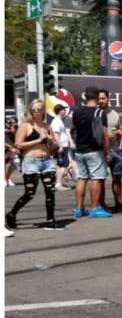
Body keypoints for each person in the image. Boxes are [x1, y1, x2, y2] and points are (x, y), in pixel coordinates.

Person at [5, 99, 63, 230]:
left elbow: (53, 147)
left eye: (39, 109)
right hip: (31, 162)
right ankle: (11, 215)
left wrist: (52, 141)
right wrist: (39, 139)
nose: (37, 112)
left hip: (47, 162)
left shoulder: (47, 126)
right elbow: (18, 144)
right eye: (34, 109)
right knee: (29, 194)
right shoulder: (26, 125)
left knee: (50, 192)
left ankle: (50, 220)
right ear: (30, 111)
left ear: (43, 111)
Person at [71, 87, 112, 219]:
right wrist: (107, 152)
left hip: (80, 150)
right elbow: (105, 135)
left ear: (85, 97)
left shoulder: (76, 112)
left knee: (82, 178)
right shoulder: (100, 113)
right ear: (96, 97)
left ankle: (79, 208)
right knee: (96, 179)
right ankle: (94, 208)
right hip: (94, 150)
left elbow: (75, 130)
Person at [98, 89, 122, 213]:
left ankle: (119, 203)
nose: (101, 100)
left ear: (108, 99)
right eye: (99, 98)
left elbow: (119, 129)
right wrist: (106, 135)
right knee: (100, 179)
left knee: (117, 178)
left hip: (116, 149)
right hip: (100, 151)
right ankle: (101, 205)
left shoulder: (114, 114)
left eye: (103, 98)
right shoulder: (95, 114)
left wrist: (119, 133)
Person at [50, 105, 73, 190]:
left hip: (63, 145)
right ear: (60, 111)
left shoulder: (59, 120)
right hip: (62, 146)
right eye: (64, 109)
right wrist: (60, 146)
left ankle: (58, 183)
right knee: (64, 165)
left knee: (61, 165)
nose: (65, 111)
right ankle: (58, 184)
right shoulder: (56, 121)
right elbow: (56, 134)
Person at [5, 117, 20, 186]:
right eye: (11, 123)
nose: (12, 124)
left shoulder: (16, 128)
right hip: (6, 147)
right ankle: (4, 179)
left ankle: (7, 178)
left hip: (12, 147)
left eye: (14, 122)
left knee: (14, 163)